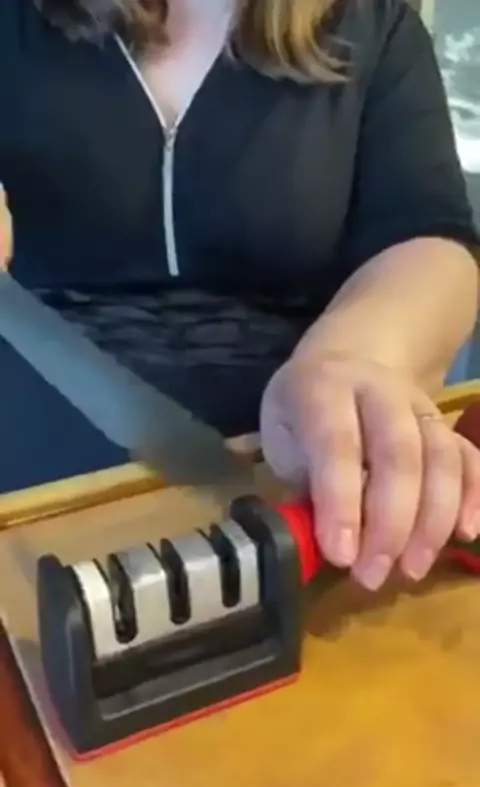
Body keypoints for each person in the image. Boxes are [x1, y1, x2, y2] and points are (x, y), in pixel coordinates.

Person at [1, 0, 479, 591]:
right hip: (30, 471)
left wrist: (353, 358)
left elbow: (428, 240)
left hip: (294, 486)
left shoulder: (375, 26)